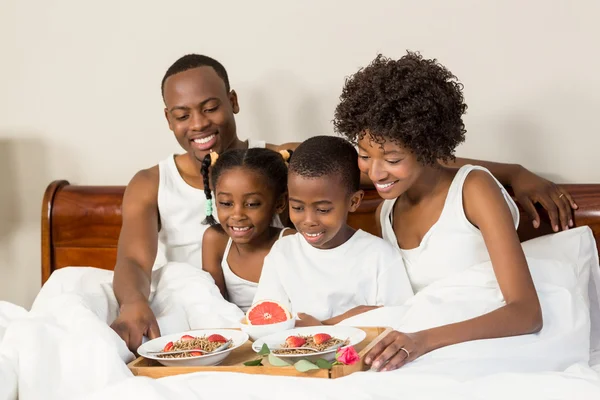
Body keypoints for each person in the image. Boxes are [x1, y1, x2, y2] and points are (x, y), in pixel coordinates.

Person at [110, 52, 574, 352]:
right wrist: (134, 302)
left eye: (209, 107)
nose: (198, 122)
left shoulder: (287, 161)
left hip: (398, 324)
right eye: (181, 114)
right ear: (168, 118)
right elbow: (133, 258)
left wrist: (512, 173)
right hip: (204, 309)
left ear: (232, 101)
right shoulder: (151, 182)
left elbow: (401, 154)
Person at [333, 52, 545, 371]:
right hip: (426, 348)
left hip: (493, 342)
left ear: (429, 148)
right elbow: (406, 304)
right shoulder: (385, 213)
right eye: (364, 156)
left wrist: (421, 341)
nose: (375, 173)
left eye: (392, 160)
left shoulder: (473, 190)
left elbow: (527, 313)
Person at [252, 136, 414, 325]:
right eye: (297, 207)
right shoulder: (283, 252)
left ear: (353, 201)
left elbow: (400, 322)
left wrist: (322, 326)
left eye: (323, 210)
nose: (308, 221)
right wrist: (343, 321)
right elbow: (265, 320)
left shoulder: (380, 256)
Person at [201, 148, 296, 312]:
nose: (237, 215)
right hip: (234, 330)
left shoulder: (291, 243)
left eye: (252, 204)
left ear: (279, 203)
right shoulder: (216, 240)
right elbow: (215, 309)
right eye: (226, 203)